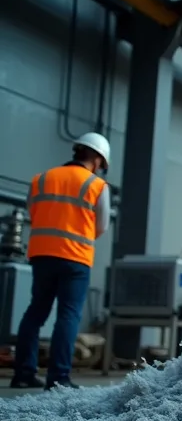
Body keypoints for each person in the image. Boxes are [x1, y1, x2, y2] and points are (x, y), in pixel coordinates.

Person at [9, 133, 112, 389]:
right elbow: (101, 226)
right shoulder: (97, 185)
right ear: (98, 159)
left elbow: (33, 211)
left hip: (42, 254)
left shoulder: (41, 179)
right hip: (75, 258)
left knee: (35, 313)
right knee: (68, 316)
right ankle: (58, 378)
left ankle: (22, 375)